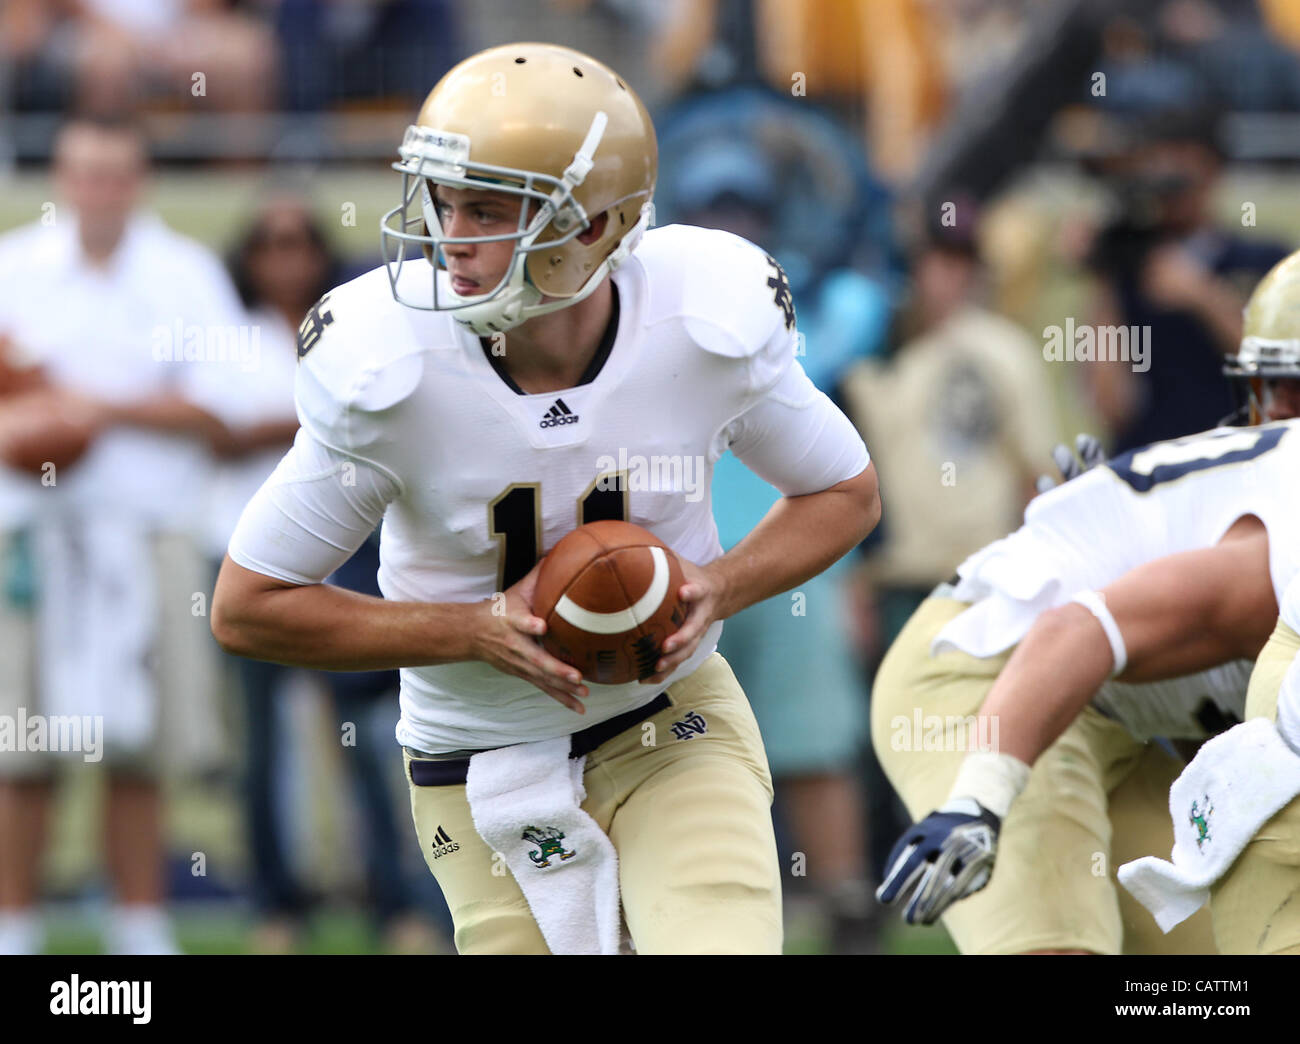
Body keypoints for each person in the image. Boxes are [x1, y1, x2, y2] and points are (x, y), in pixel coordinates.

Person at [210, 43, 880, 955]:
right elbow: (249, 607)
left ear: (596, 225)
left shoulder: (699, 318)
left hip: (669, 720)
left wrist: (721, 584)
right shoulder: (392, 365)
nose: (452, 239)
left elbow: (844, 489)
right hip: (475, 758)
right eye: (445, 203)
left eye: (486, 209)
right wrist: (471, 629)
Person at [873, 249, 1300, 954]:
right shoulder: (1272, 544)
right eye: (1282, 391)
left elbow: (1225, 718)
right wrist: (978, 798)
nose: (1285, 417)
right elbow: (1081, 626)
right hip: (996, 678)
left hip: (1119, 723)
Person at [0, 114, 244, 955]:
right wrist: (30, 424)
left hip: (147, 534)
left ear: (139, 181)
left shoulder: (183, 273)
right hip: (32, 534)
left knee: (141, 742)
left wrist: (95, 409)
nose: (98, 191)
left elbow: (227, 406)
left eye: (114, 174)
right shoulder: (14, 268)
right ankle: (16, 925)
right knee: (22, 747)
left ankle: (139, 922)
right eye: (83, 174)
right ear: (60, 180)